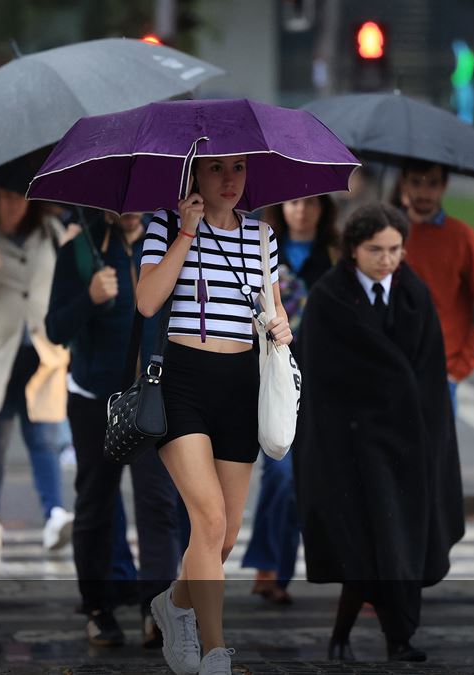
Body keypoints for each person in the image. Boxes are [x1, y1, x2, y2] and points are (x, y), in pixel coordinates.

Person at [136, 154, 293, 675]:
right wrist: (186, 232)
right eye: (216, 168)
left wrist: (282, 327)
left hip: (239, 385)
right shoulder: (165, 222)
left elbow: (272, 308)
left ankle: (175, 604)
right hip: (182, 381)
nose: (229, 180)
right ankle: (216, 651)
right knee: (207, 518)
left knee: (223, 537)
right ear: (194, 176)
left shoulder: (262, 235)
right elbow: (147, 301)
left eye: (239, 168)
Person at [295, 204, 464, 663]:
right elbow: (321, 375)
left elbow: (429, 374)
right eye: (376, 250)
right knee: (365, 548)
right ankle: (346, 636)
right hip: (350, 444)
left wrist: (431, 444)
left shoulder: (415, 294)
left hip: (407, 442)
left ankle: (397, 640)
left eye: (395, 250)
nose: (387, 259)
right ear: (353, 249)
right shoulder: (330, 298)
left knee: (403, 542)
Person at [46, 210, 181, 648]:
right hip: (92, 398)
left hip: (151, 397)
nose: (124, 212)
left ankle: (156, 609)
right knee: (96, 503)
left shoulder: (166, 245)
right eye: (116, 204)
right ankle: (98, 608)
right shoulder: (79, 251)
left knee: (158, 503)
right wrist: (89, 297)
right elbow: (54, 329)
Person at [0, 168, 74, 552]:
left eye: (19, 197)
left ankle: (55, 514)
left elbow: (67, 281)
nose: (13, 206)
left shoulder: (51, 233)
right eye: (6, 198)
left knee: (43, 435)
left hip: (40, 350)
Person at [242, 195, 336, 606]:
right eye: (295, 202)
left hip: (319, 379)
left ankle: (279, 570)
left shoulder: (334, 256)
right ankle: (268, 565)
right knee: (279, 474)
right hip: (270, 375)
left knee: (300, 482)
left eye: (312, 203)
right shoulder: (261, 247)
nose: (302, 210)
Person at [393, 159, 474, 411]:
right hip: (389, 368)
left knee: (436, 451)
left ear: (444, 186)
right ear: (403, 182)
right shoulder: (386, 236)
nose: (424, 192)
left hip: (439, 373)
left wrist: (459, 369)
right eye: (416, 182)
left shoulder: (462, 237)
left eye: (432, 183)